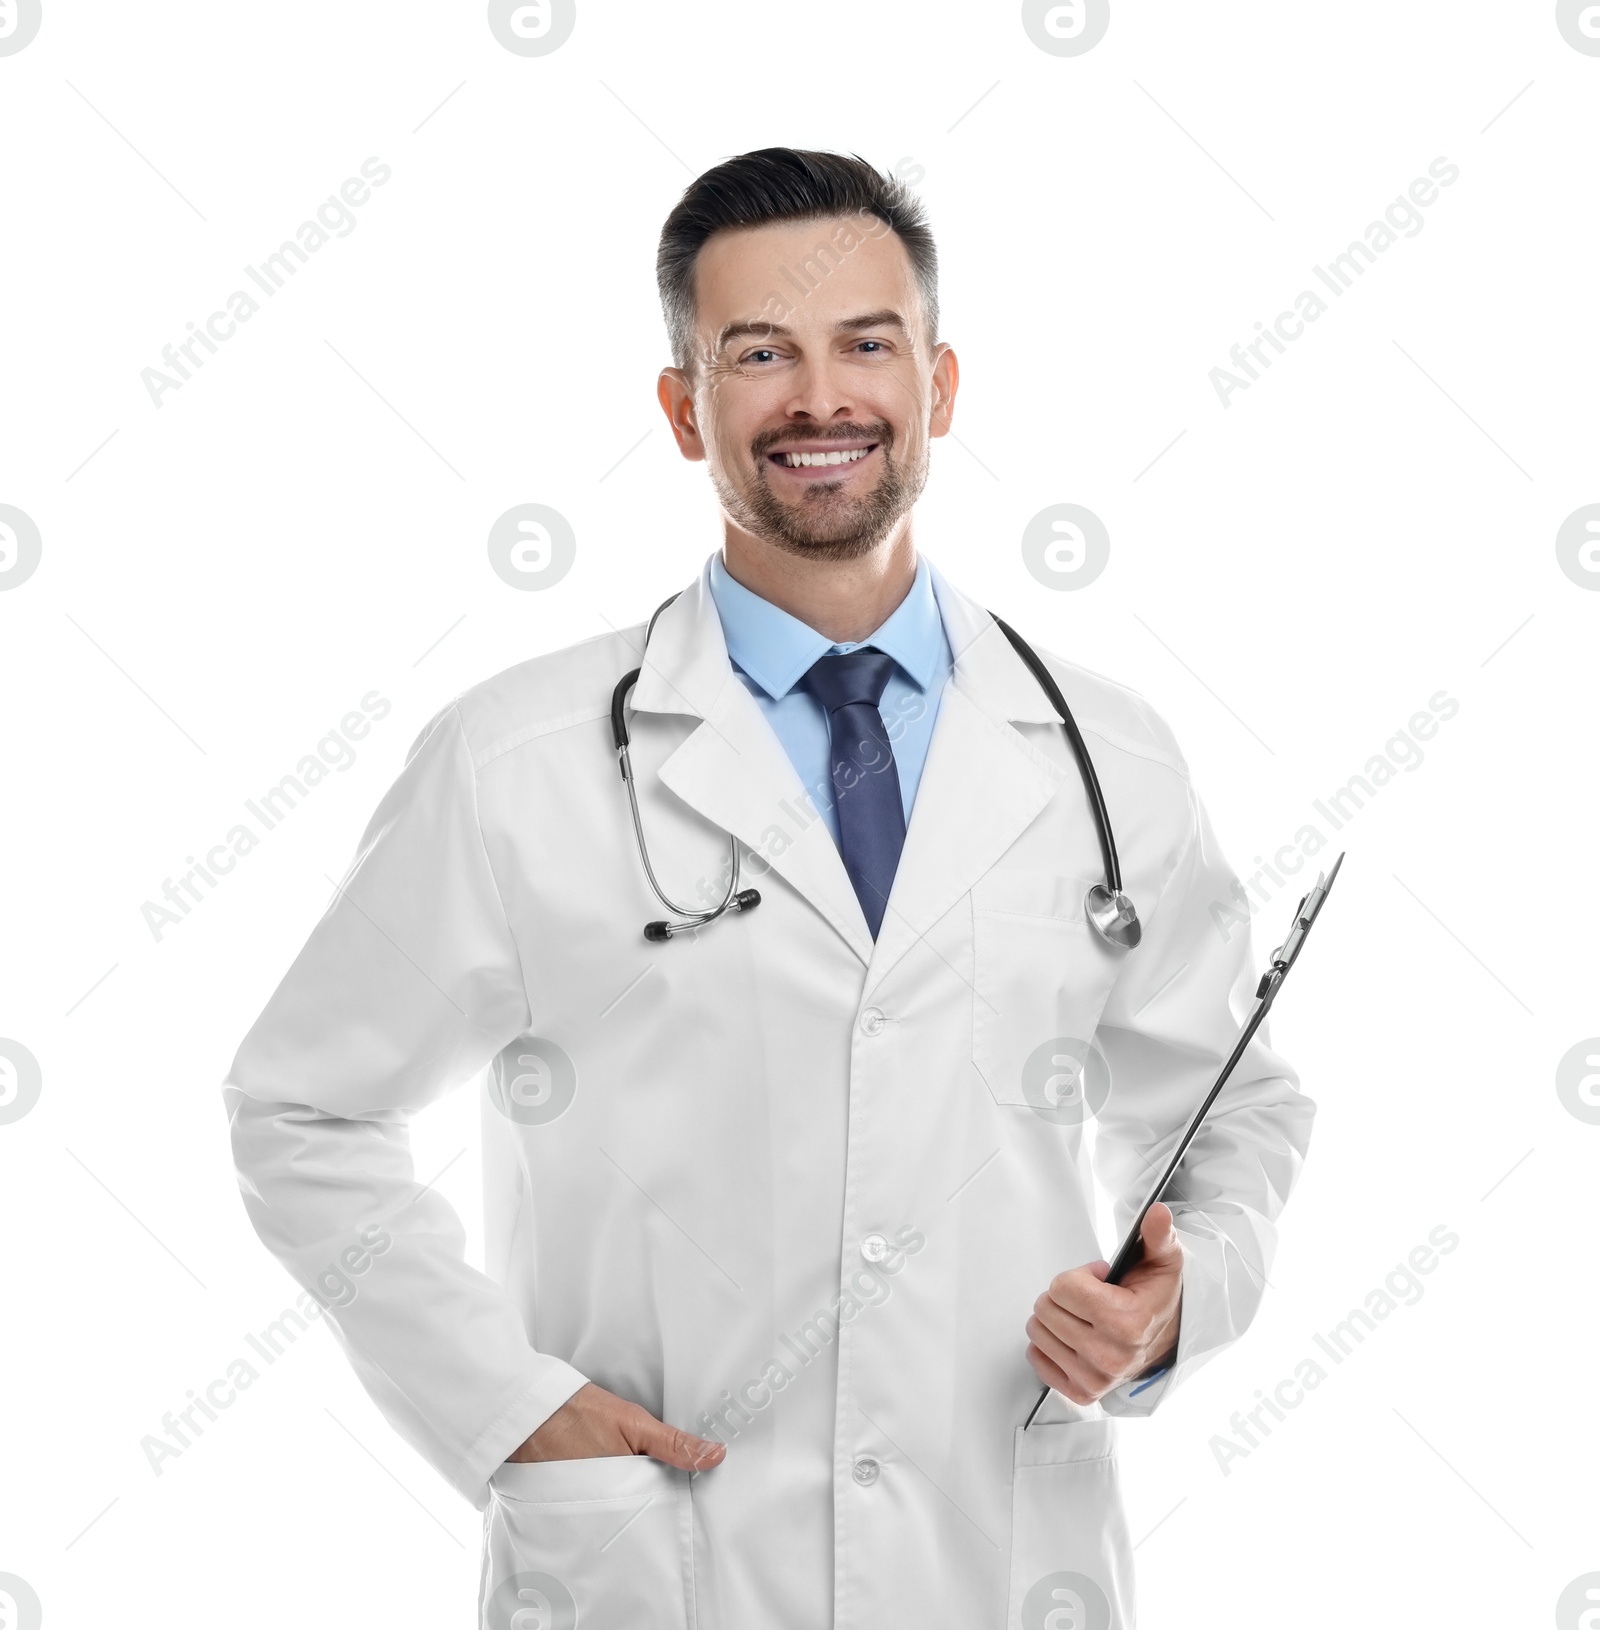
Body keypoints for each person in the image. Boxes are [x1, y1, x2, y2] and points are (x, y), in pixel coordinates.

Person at [224, 147, 1315, 1629]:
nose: (821, 399)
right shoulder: (514, 761)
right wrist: (502, 1407)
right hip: (660, 1567)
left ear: (939, 384)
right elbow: (304, 1107)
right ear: (684, 409)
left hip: (999, 1563)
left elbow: (1235, 1106)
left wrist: (1177, 1301)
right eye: (759, 354)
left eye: (867, 344)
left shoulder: (1106, 752)